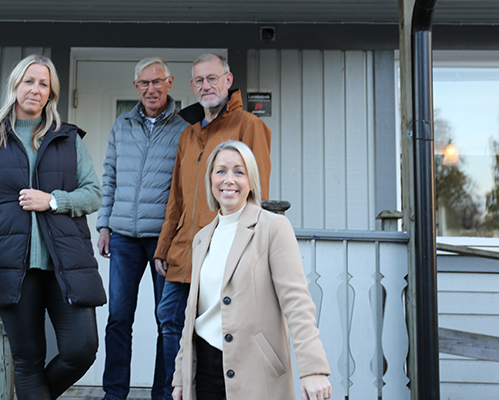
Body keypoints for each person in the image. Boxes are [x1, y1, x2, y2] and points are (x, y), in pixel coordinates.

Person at [0, 54, 105, 400]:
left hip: (65, 265)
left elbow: (94, 194)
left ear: (51, 94)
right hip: (14, 267)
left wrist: (53, 201)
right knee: (27, 361)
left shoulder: (68, 140)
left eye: (43, 84)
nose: (35, 90)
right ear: (15, 87)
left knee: (81, 349)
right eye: (29, 81)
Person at [172, 140, 332, 400]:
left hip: (256, 371)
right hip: (203, 371)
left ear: (251, 180)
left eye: (239, 171)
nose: (229, 180)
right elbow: (193, 315)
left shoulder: (273, 228)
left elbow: (297, 302)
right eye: (220, 171)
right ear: (210, 179)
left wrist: (313, 368)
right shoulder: (202, 238)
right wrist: (181, 376)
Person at [153, 53, 272, 400]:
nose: (206, 86)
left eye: (212, 78)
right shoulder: (188, 135)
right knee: (170, 324)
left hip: (222, 255)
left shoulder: (249, 126)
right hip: (182, 254)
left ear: (228, 79)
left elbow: (257, 190)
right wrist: (163, 246)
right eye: (199, 81)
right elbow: (176, 197)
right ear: (192, 86)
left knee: (220, 335)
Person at [97, 57, 189, 400]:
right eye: (143, 84)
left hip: (163, 241)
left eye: (157, 82)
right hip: (122, 238)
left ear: (169, 82)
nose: (151, 89)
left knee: (167, 321)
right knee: (118, 318)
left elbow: (183, 189)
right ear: (136, 87)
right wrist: (104, 224)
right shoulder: (122, 125)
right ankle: (114, 393)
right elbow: (110, 177)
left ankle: (165, 393)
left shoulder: (183, 130)